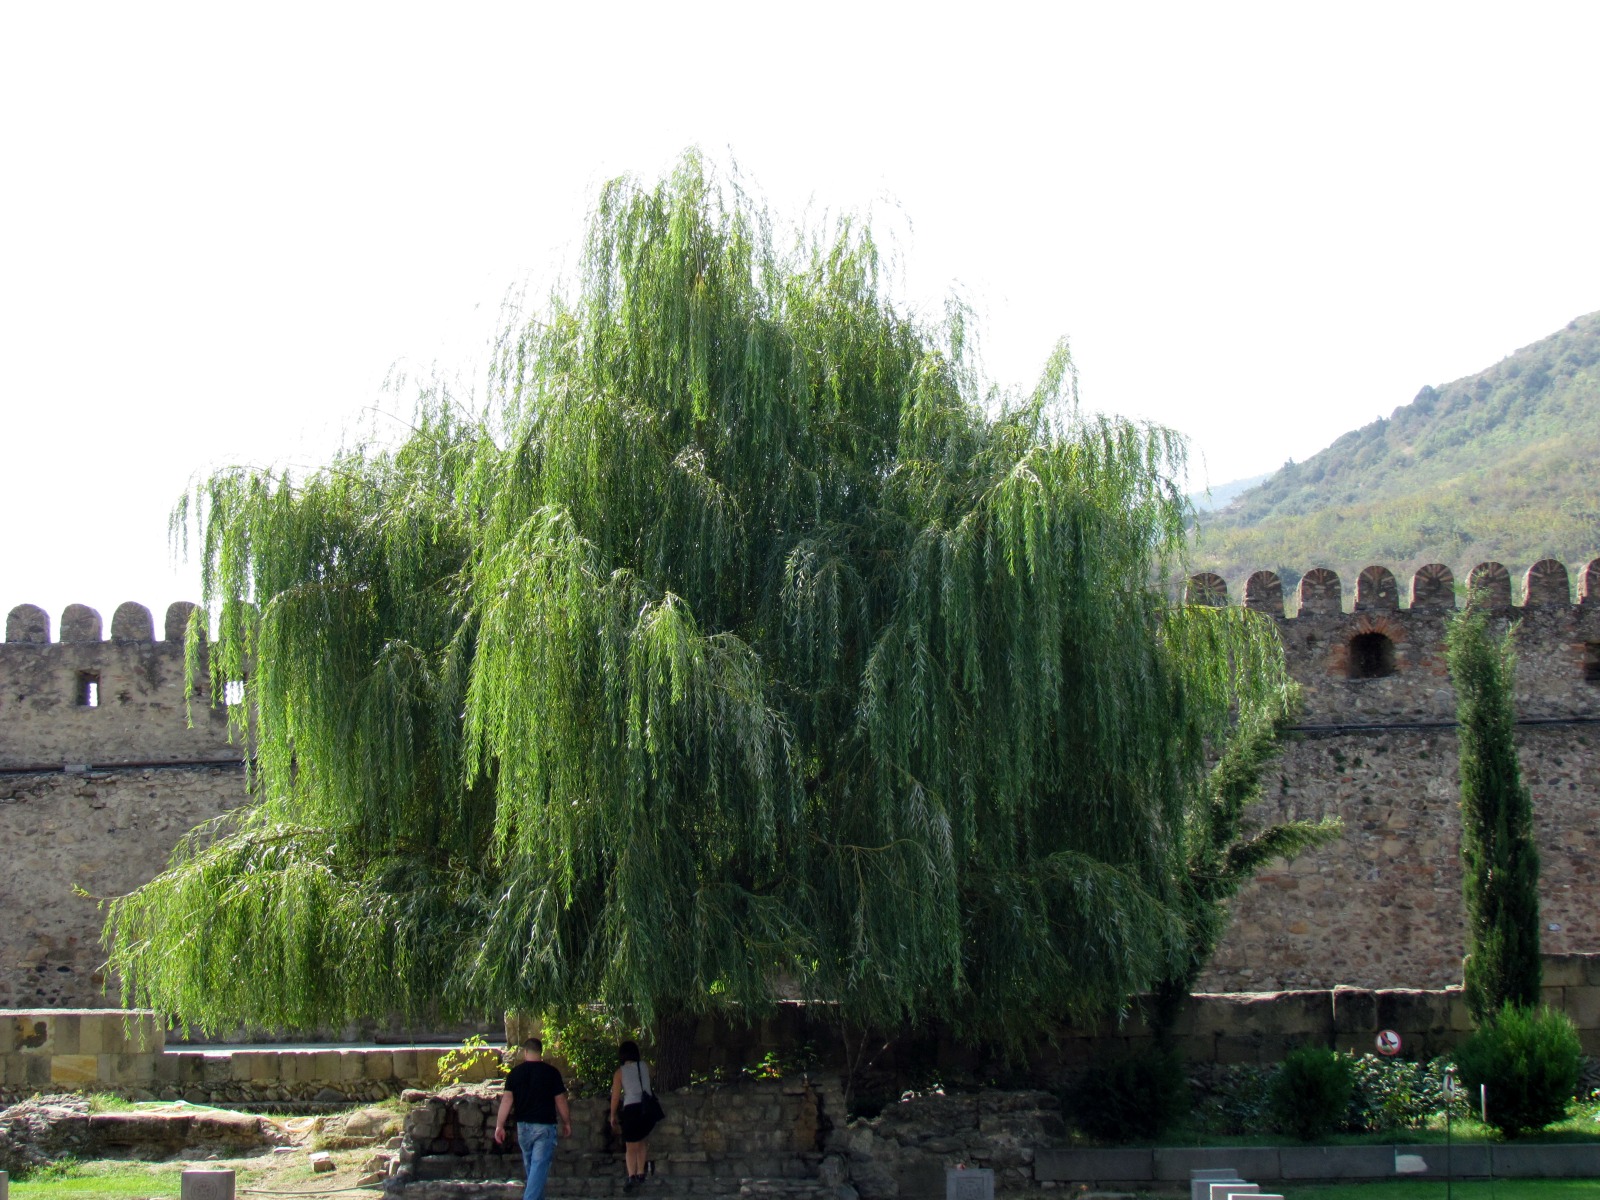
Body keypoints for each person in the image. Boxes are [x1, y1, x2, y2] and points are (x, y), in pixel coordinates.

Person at [493, 1037, 573, 1200]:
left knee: (534, 1173)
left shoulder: (515, 1074)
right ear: (540, 1053)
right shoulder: (551, 1073)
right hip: (544, 1127)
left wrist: (499, 1125)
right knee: (537, 1172)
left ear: (525, 1052)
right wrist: (567, 1122)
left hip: (523, 1128)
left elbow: (507, 1100)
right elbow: (560, 1100)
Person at [609, 1039, 658, 1190]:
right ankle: (641, 1172)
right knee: (641, 1140)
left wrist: (612, 1114)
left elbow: (616, 1096)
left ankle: (631, 1176)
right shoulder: (644, 1066)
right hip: (647, 1109)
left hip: (631, 1109)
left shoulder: (620, 1072)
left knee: (631, 1145)